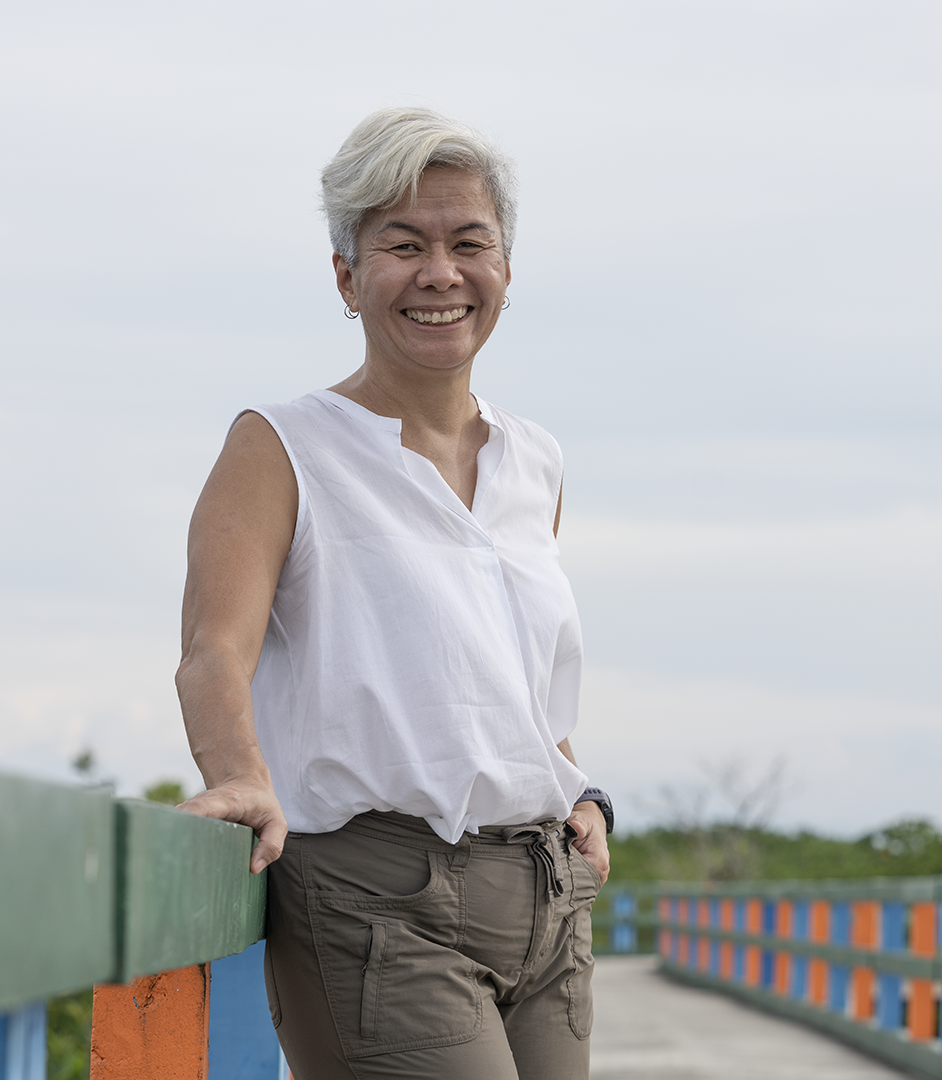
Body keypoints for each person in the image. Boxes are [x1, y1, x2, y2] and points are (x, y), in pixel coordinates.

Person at [174, 106, 614, 1079]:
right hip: (378, 899)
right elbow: (215, 649)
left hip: (545, 892)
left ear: (505, 268)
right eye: (402, 244)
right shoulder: (282, 445)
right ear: (346, 274)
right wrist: (241, 774)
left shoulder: (531, 460)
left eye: (469, 243)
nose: (440, 273)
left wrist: (575, 787)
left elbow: (515, 668)